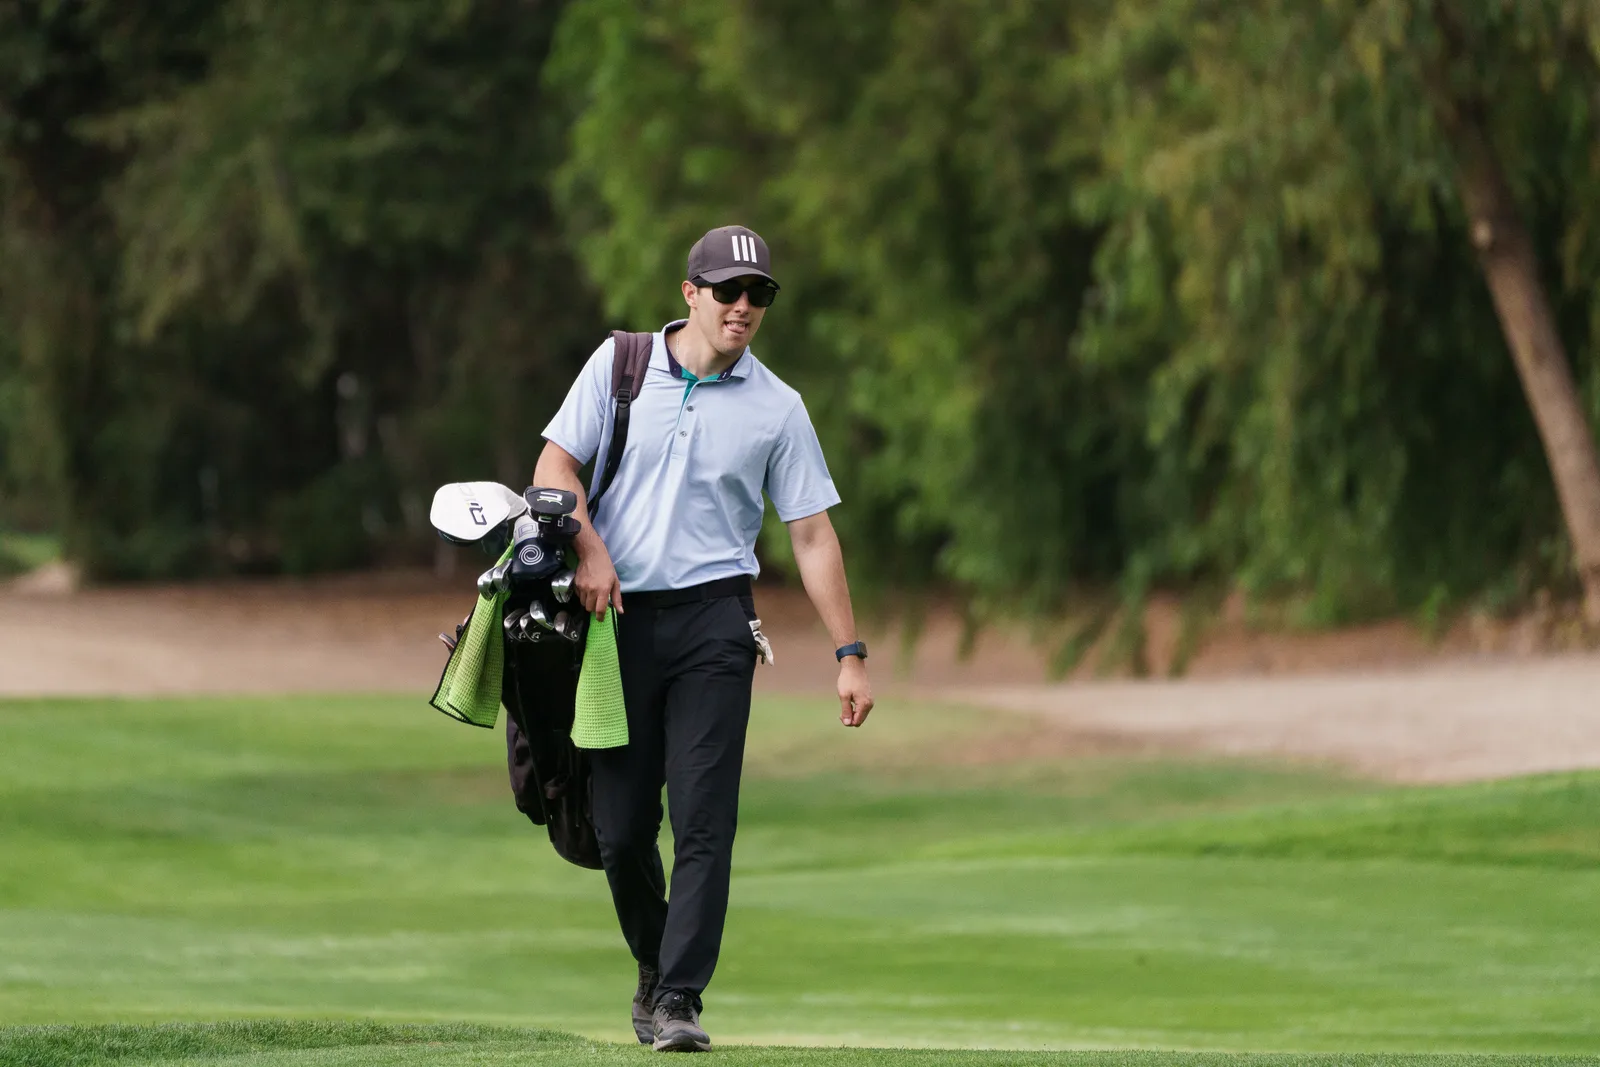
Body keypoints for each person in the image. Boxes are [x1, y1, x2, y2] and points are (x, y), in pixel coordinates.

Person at [533, 224, 874, 1053]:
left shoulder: (778, 406)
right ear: (691, 293)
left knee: (703, 819)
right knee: (618, 829)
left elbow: (811, 534)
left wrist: (849, 653)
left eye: (759, 294)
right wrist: (591, 549)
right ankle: (655, 965)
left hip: (716, 622)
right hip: (615, 620)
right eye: (728, 291)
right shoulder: (619, 364)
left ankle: (680, 996)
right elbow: (554, 468)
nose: (744, 306)